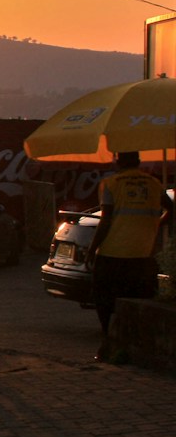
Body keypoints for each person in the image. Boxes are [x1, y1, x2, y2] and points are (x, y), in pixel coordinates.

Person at [87, 151, 168, 360]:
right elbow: (172, 208)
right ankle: (137, 347)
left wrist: (92, 248)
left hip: (113, 253)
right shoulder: (154, 183)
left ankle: (109, 343)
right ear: (139, 163)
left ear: (118, 163)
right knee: (138, 301)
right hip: (143, 255)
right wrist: (157, 224)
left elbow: (105, 221)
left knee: (104, 301)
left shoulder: (111, 183)